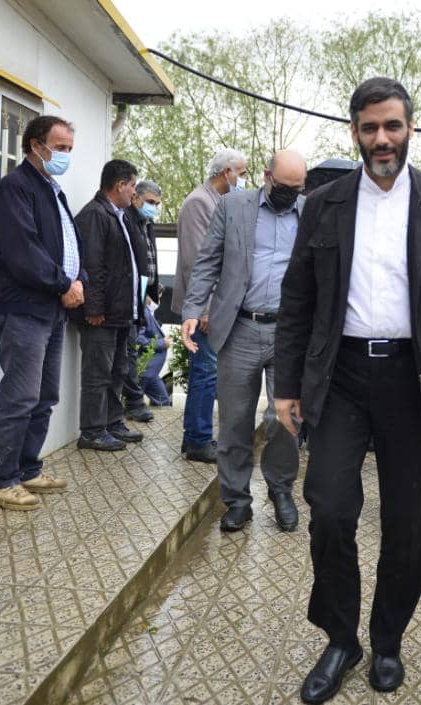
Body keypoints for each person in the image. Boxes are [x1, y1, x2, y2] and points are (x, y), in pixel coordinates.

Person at [274, 78, 421, 703]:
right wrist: (286, 386)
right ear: (354, 131)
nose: (381, 139)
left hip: (414, 380)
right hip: (340, 377)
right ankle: (341, 638)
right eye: (369, 127)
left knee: (408, 521)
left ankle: (388, 638)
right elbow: (298, 300)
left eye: (392, 126)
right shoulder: (323, 205)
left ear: (410, 129)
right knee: (329, 506)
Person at [181, 150, 307, 533]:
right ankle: (236, 500)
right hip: (239, 328)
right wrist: (193, 308)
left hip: (288, 332)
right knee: (235, 420)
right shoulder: (233, 206)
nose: (289, 194)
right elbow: (208, 260)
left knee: (285, 418)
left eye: (296, 188)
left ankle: (281, 490)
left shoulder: (310, 213)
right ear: (266, 175)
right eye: (283, 186)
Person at [0, 115, 84, 510]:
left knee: (45, 395)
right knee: (20, 395)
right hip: (24, 308)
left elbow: (68, 245)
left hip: (51, 308)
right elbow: (24, 252)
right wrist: (63, 284)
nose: (65, 155)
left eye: (69, 149)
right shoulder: (15, 189)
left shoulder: (52, 191)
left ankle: (27, 468)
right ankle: (1, 479)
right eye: (60, 148)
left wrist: (78, 281)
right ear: (36, 146)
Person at [173, 149, 248, 463]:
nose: (243, 179)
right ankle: (197, 440)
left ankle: (198, 435)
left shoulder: (220, 202)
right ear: (226, 172)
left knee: (209, 371)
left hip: (217, 306)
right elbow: (196, 262)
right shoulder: (198, 203)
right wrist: (203, 309)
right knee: (205, 371)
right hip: (204, 308)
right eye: (241, 173)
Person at [73, 159, 147, 451]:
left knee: (118, 370)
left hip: (121, 311)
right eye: (132, 186)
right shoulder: (95, 214)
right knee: (97, 373)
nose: (134, 192)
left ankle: (112, 422)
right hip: (101, 315)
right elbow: (91, 265)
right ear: (119, 185)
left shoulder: (121, 215)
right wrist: (93, 308)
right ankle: (92, 431)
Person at [121, 180, 164, 422]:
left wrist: (152, 290)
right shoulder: (126, 219)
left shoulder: (147, 224)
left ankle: (133, 402)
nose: (153, 207)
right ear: (135, 197)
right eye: (149, 202)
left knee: (130, 351)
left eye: (156, 204)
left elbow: (150, 259)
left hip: (143, 295)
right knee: (128, 351)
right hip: (128, 296)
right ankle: (133, 402)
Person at [136, 300, 171, 407]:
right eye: (158, 295)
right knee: (134, 403)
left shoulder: (148, 311)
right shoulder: (142, 311)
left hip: (151, 373)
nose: (159, 299)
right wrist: (162, 343)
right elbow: (138, 338)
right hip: (144, 370)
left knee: (164, 402)